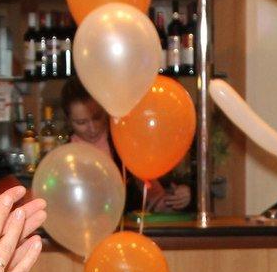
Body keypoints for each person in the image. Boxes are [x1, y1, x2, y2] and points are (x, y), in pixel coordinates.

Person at [60, 77, 192, 213]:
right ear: (68, 120)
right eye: (81, 122)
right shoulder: (63, 159)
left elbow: (156, 200)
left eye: (97, 117)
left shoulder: (125, 143)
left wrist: (181, 197)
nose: (92, 128)